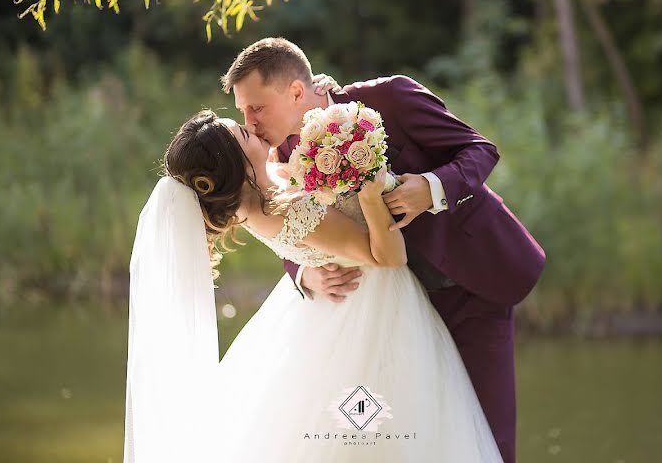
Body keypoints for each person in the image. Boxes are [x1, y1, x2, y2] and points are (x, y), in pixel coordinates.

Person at [222, 37, 546, 462]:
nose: (249, 120)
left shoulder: (390, 98)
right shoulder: (281, 152)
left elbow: (480, 150)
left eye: (256, 108)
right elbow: (292, 224)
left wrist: (430, 189)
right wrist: (304, 273)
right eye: (242, 111)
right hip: (388, 314)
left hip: (467, 288)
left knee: (484, 439)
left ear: (296, 92)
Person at [123, 109, 504, 462]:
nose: (252, 127)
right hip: (370, 304)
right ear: (236, 164)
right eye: (243, 132)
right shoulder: (286, 209)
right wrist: (370, 191)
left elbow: (302, 226)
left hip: (330, 306)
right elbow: (389, 257)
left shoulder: (253, 201)